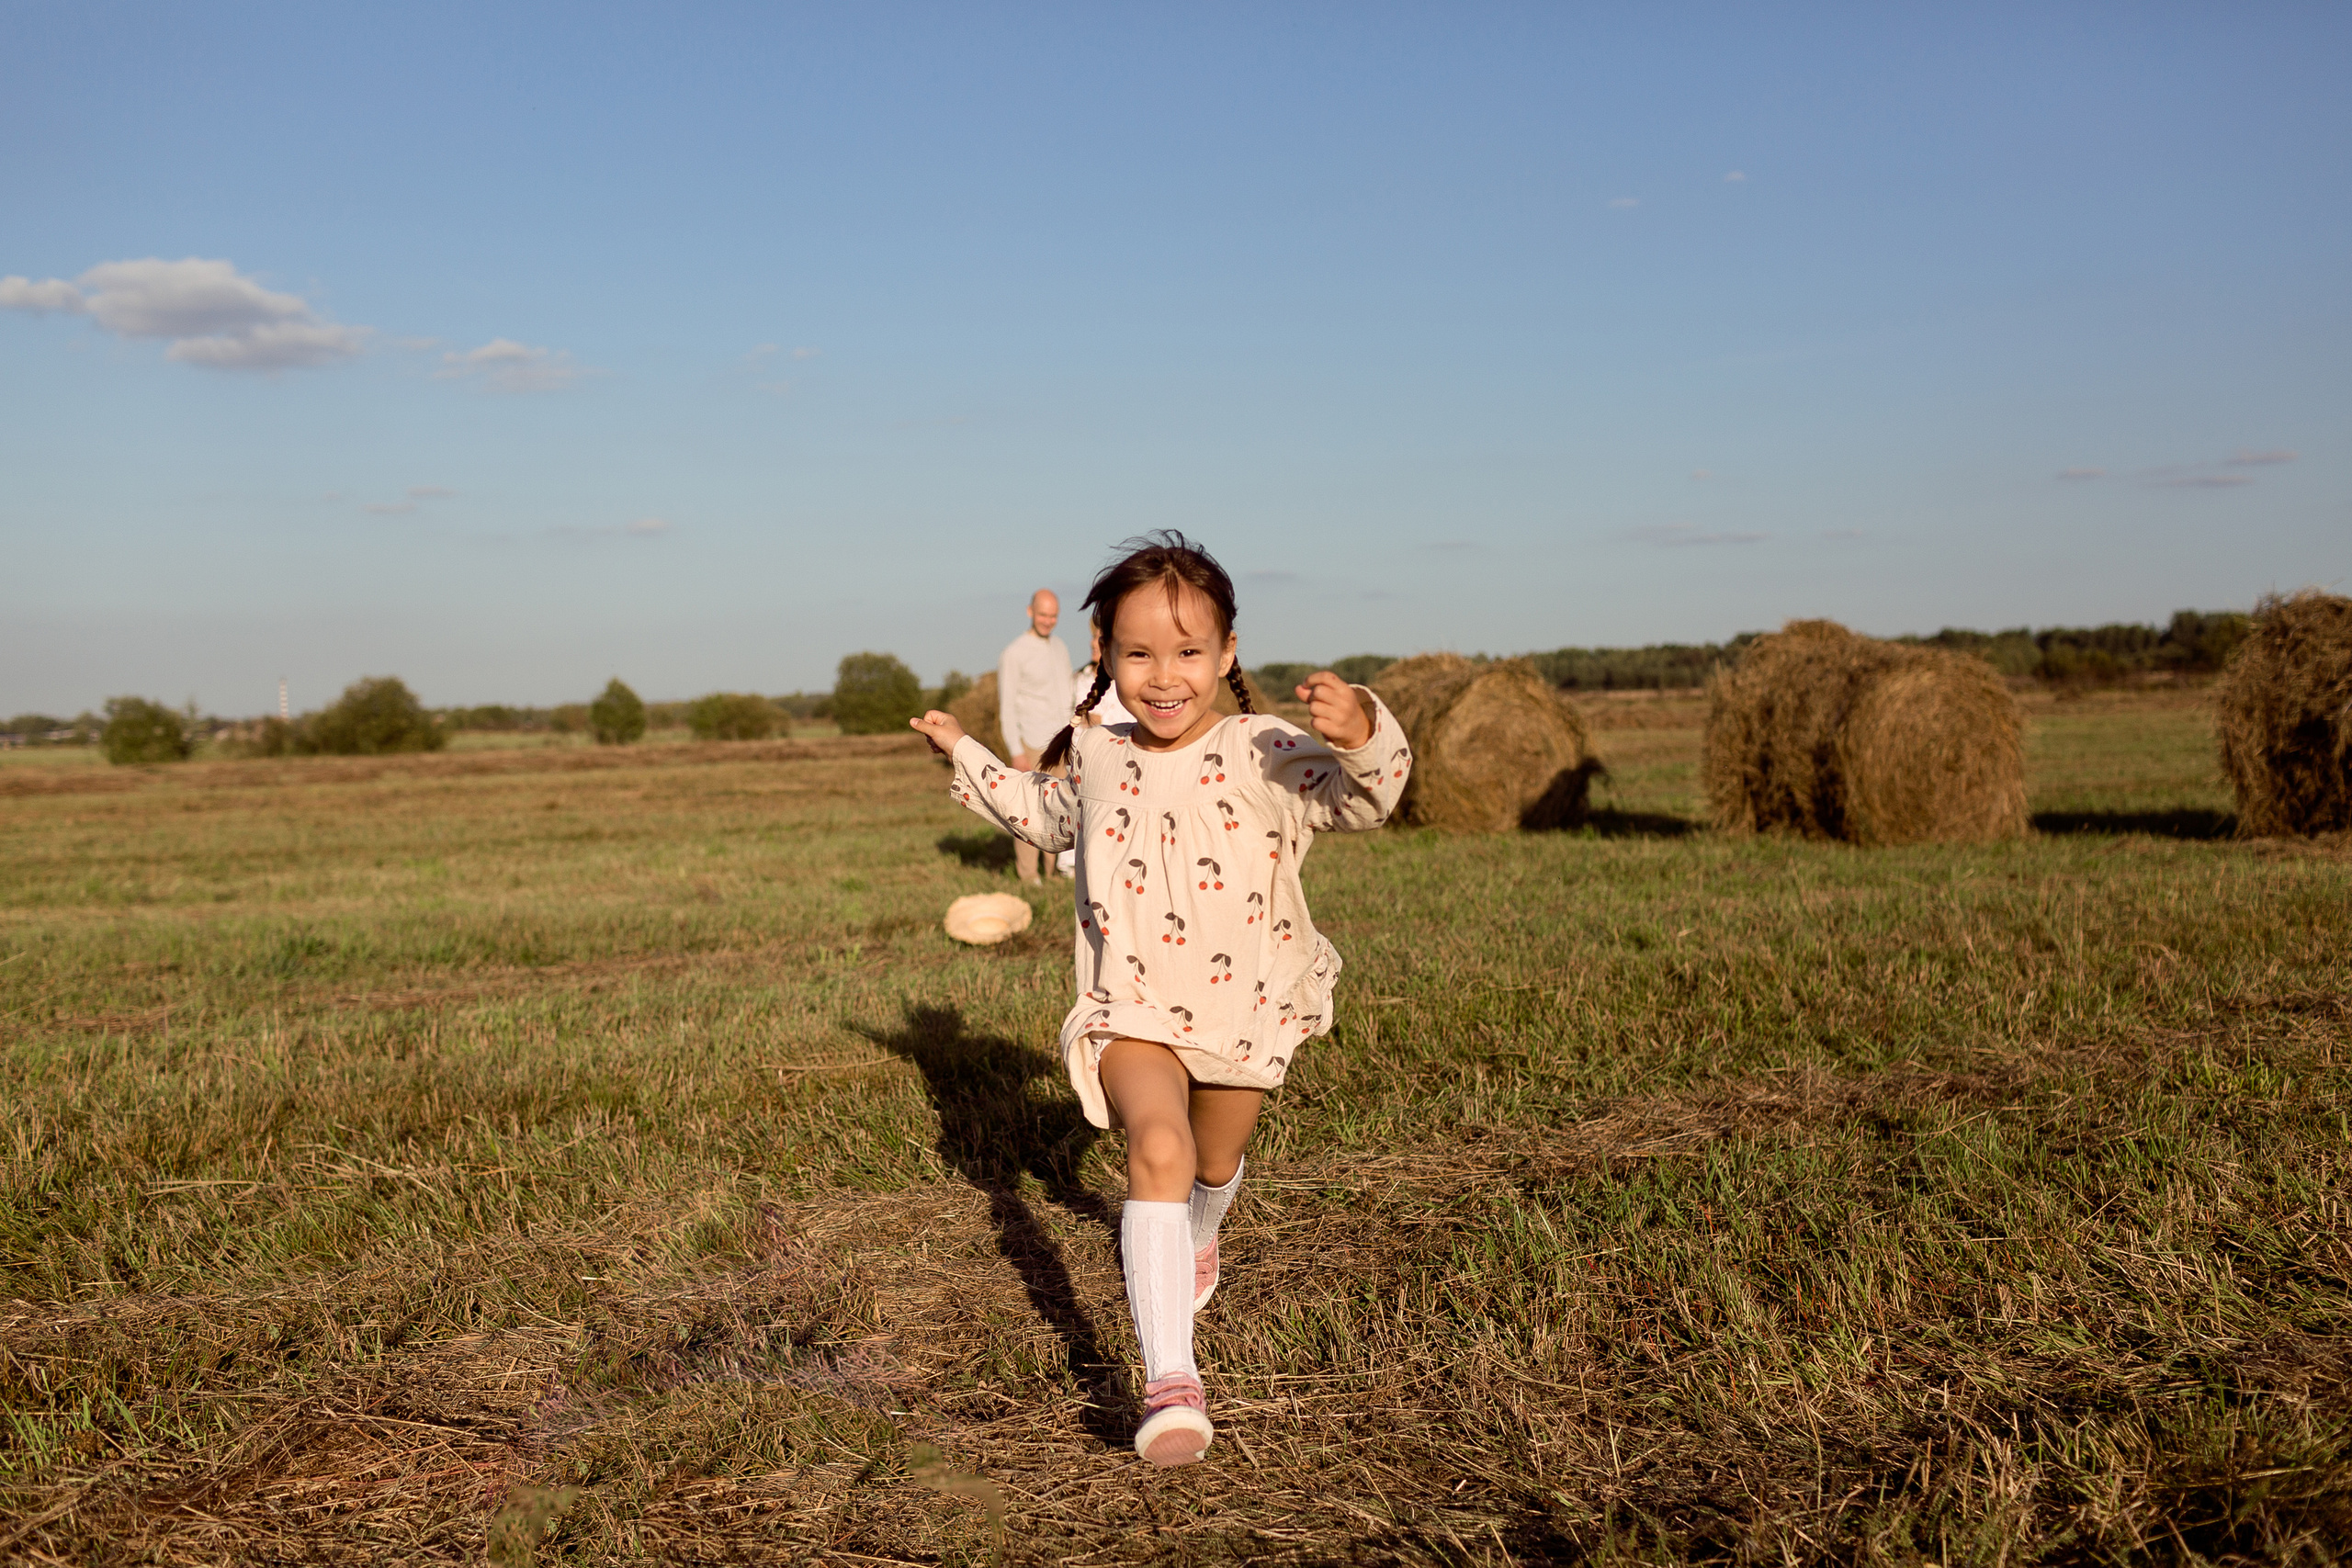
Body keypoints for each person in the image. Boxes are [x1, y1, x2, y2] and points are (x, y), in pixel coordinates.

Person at [911, 532, 1412, 1468]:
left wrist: (1361, 731)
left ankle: (1201, 1233)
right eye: (1139, 653)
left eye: (1188, 652)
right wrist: (964, 751)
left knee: (1213, 1161)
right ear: (1101, 654)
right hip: (1128, 1005)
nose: (1164, 675)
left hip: (1244, 1007)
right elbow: (1037, 810)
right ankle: (1170, 1381)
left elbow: (1367, 800)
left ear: (1226, 655)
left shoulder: (1265, 749)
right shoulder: (1096, 756)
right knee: (1159, 1144)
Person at [997, 588, 1073, 883]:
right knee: (1030, 814)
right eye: (1043, 614)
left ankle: (1052, 873)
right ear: (1030, 612)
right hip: (1030, 744)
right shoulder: (1014, 653)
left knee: (1058, 809)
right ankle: (1029, 877)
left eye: (1053, 616)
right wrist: (1015, 750)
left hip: (1060, 745)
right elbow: (1007, 707)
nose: (1048, 621)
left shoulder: (1061, 647)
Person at [1056, 628, 1135, 874]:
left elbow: (1123, 716)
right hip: (1082, 756)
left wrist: (1100, 720)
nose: (1092, 643)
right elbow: (1072, 715)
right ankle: (1070, 867)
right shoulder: (1079, 679)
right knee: (1078, 809)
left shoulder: (1124, 679)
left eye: (1099, 638)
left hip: (1118, 755)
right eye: (1091, 637)